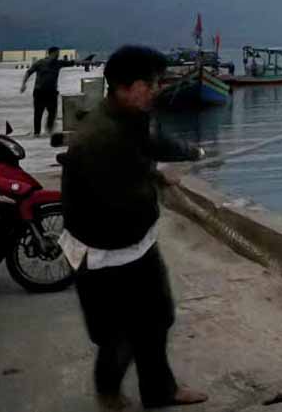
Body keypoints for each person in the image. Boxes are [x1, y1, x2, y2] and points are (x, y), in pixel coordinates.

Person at [60, 45, 208, 410]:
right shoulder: (98, 138)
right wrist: (158, 178)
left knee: (158, 319)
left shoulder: (132, 117)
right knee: (118, 338)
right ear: (125, 87)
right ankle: (109, 397)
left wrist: (193, 153)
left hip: (138, 245)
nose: (156, 89)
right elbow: (119, 198)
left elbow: (152, 143)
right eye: (150, 83)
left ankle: (159, 391)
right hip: (101, 253)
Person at [20, 46, 78, 136]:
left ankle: (49, 130)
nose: (58, 55)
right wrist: (23, 84)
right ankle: (37, 132)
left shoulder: (58, 63)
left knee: (52, 112)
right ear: (52, 53)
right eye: (57, 53)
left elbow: (73, 62)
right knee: (38, 113)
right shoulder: (40, 63)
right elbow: (29, 72)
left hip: (52, 92)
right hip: (40, 92)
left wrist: (88, 61)